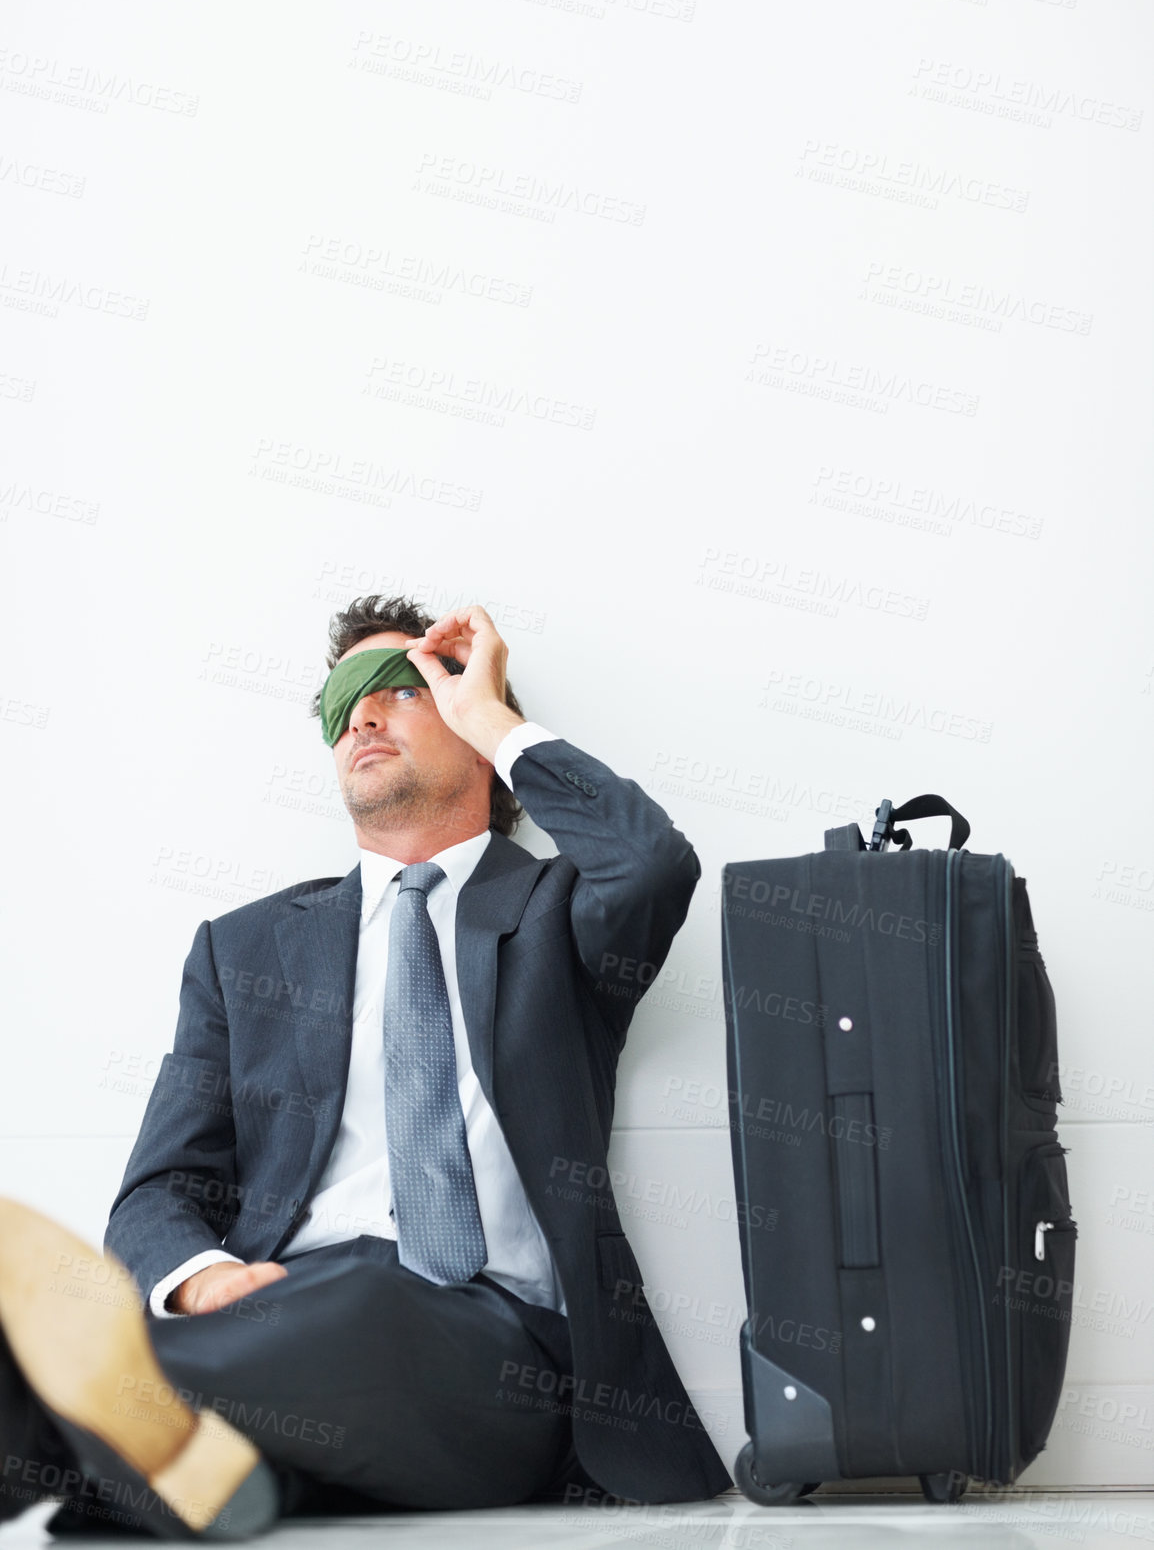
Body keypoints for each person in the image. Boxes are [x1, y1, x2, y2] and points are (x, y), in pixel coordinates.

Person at [0, 598, 731, 1537]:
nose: (363, 717)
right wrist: (206, 1278)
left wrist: (492, 717)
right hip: (276, 1332)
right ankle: (149, 1448)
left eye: (399, 689)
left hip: (500, 1358)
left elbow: (652, 863)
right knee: (313, 1318)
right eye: (340, 704)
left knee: (368, 1297)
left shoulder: (561, 913)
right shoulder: (245, 949)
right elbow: (158, 1190)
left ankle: (86, 1404)